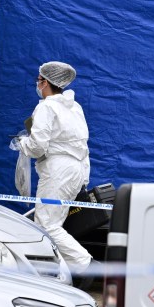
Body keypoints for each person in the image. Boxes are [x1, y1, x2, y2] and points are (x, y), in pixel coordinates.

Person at [16, 61, 93, 283]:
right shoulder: (74, 107)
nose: (37, 85)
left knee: (47, 224)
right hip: (77, 169)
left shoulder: (46, 107)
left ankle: (85, 267)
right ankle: (56, 277)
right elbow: (83, 143)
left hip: (58, 171)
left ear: (45, 82)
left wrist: (23, 143)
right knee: (51, 224)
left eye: (38, 81)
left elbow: (38, 145)